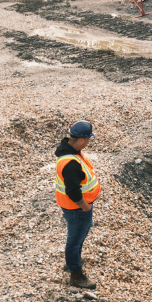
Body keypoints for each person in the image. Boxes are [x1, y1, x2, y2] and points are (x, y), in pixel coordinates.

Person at [55, 120, 101, 290]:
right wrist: (85, 206)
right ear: (81, 140)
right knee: (74, 240)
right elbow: (73, 191)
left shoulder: (72, 151)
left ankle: (73, 260)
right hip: (77, 208)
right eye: (88, 139)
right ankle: (75, 274)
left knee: (77, 237)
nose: (89, 142)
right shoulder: (71, 163)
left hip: (76, 207)